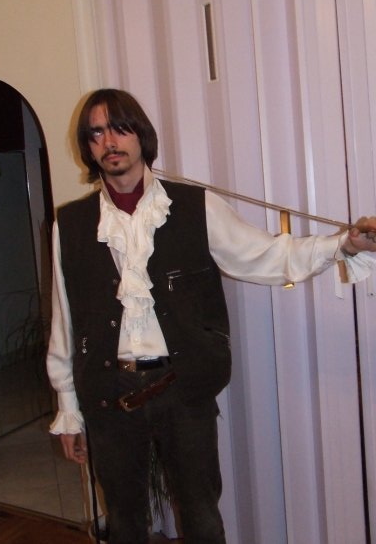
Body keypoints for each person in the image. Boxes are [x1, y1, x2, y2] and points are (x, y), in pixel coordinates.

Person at [47, 88, 376, 544]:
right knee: (123, 524)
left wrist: (342, 244)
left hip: (182, 388)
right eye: (97, 133)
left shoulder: (195, 207)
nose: (110, 141)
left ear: (141, 135)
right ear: (88, 146)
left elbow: (266, 256)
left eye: (120, 128)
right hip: (109, 393)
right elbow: (66, 321)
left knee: (202, 518)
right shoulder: (70, 225)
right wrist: (68, 409)